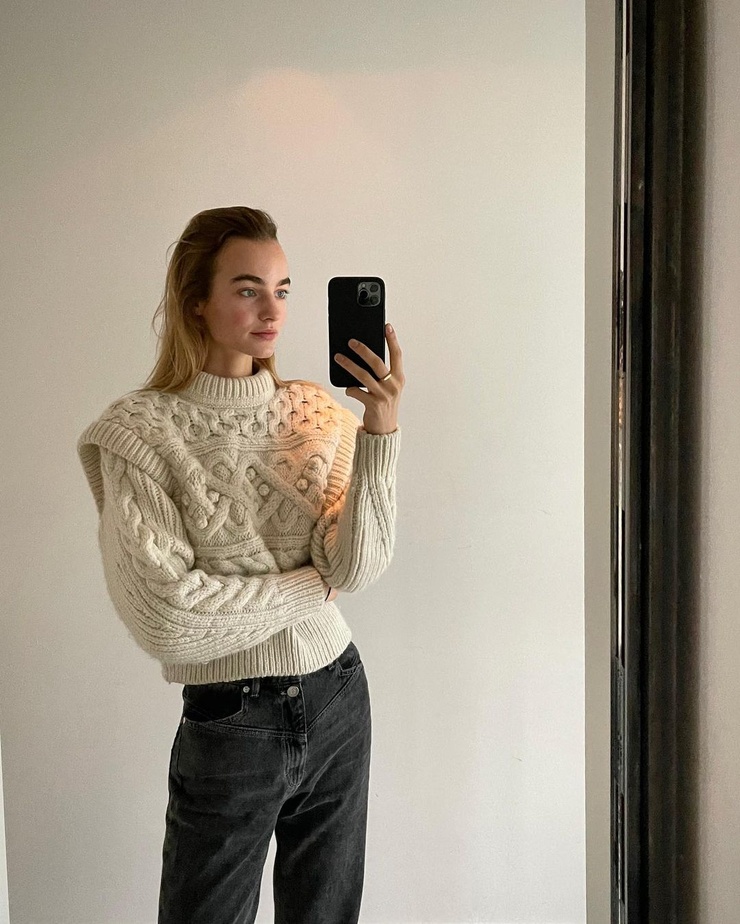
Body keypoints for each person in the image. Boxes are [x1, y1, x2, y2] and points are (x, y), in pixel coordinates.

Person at [76, 206, 404, 924]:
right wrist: (308, 586)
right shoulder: (139, 434)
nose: (272, 310)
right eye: (248, 289)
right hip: (232, 720)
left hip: (339, 694)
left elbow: (355, 566)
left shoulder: (317, 414)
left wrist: (379, 431)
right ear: (196, 300)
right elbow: (168, 616)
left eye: (282, 290)